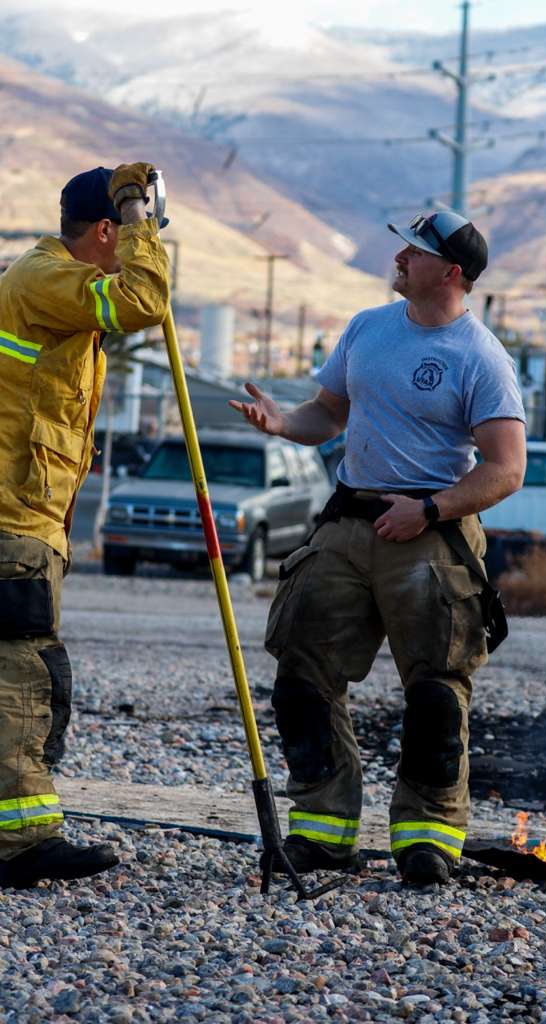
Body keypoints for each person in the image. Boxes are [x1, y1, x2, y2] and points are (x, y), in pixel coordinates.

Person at [230, 210, 527, 886]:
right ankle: (323, 829)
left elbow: (506, 468)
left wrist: (429, 510)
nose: (399, 256)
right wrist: (282, 422)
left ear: (450, 273)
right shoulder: (367, 328)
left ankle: (427, 838)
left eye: (415, 250)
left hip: (427, 530)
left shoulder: (479, 356)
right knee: (302, 667)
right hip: (348, 520)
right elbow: (327, 413)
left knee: (434, 692)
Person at [0, 163, 170, 889]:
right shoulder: (45, 278)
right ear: (106, 230)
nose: (136, 242)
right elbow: (144, 300)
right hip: (13, 519)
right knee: (23, 675)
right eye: (128, 231)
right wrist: (143, 223)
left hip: (30, 516)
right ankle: (19, 842)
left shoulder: (53, 287)